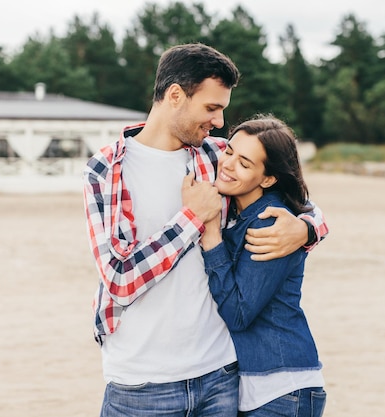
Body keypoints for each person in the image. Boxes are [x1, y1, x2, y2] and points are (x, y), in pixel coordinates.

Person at [82, 43, 328, 417]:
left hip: (221, 376)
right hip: (142, 384)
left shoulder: (217, 156)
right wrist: (192, 218)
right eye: (212, 108)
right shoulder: (106, 170)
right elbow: (120, 279)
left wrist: (307, 230)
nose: (218, 121)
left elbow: (295, 200)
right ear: (176, 95)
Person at [199, 114, 328, 417]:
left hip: (282, 389)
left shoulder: (271, 221)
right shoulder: (236, 211)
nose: (228, 165)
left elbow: (239, 313)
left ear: (268, 178)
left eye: (244, 164)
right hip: (256, 388)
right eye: (229, 152)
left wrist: (212, 237)